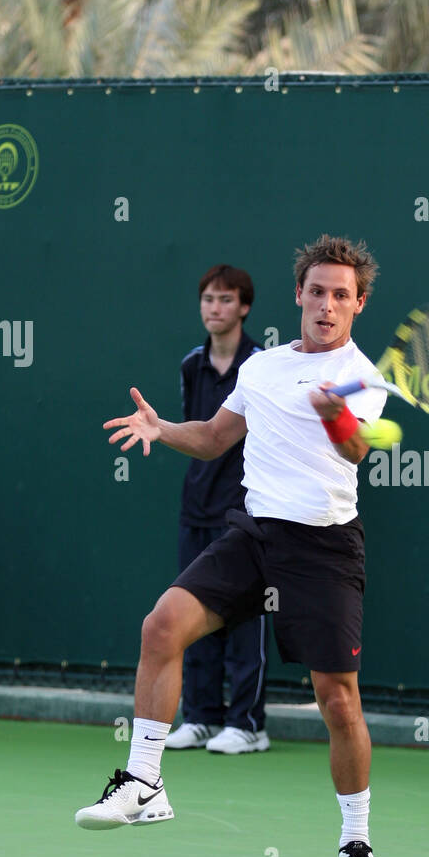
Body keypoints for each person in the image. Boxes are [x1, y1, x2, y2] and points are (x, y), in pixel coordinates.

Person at [76, 235, 390, 857]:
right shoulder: (263, 368)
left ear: (358, 303)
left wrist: (335, 410)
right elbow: (217, 437)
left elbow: (358, 450)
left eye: (341, 294)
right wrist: (164, 431)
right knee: (161, 626)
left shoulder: (363, 374)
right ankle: (144, 780)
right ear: (298, 295)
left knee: (337, 699)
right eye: (316, 290)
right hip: (252, 535)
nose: (327, 303)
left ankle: (356, 843)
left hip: (324, 548)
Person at [166, 264, 269, 755]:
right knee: (192, 614)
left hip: (248, 512)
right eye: (208, 298)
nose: (215, 308)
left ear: (244, 307)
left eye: (226, 299)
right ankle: (202, 716)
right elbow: (199, 433)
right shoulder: (191, 365)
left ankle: (248, 724)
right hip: (196, 508)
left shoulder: (263, 367)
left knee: (246, 619)